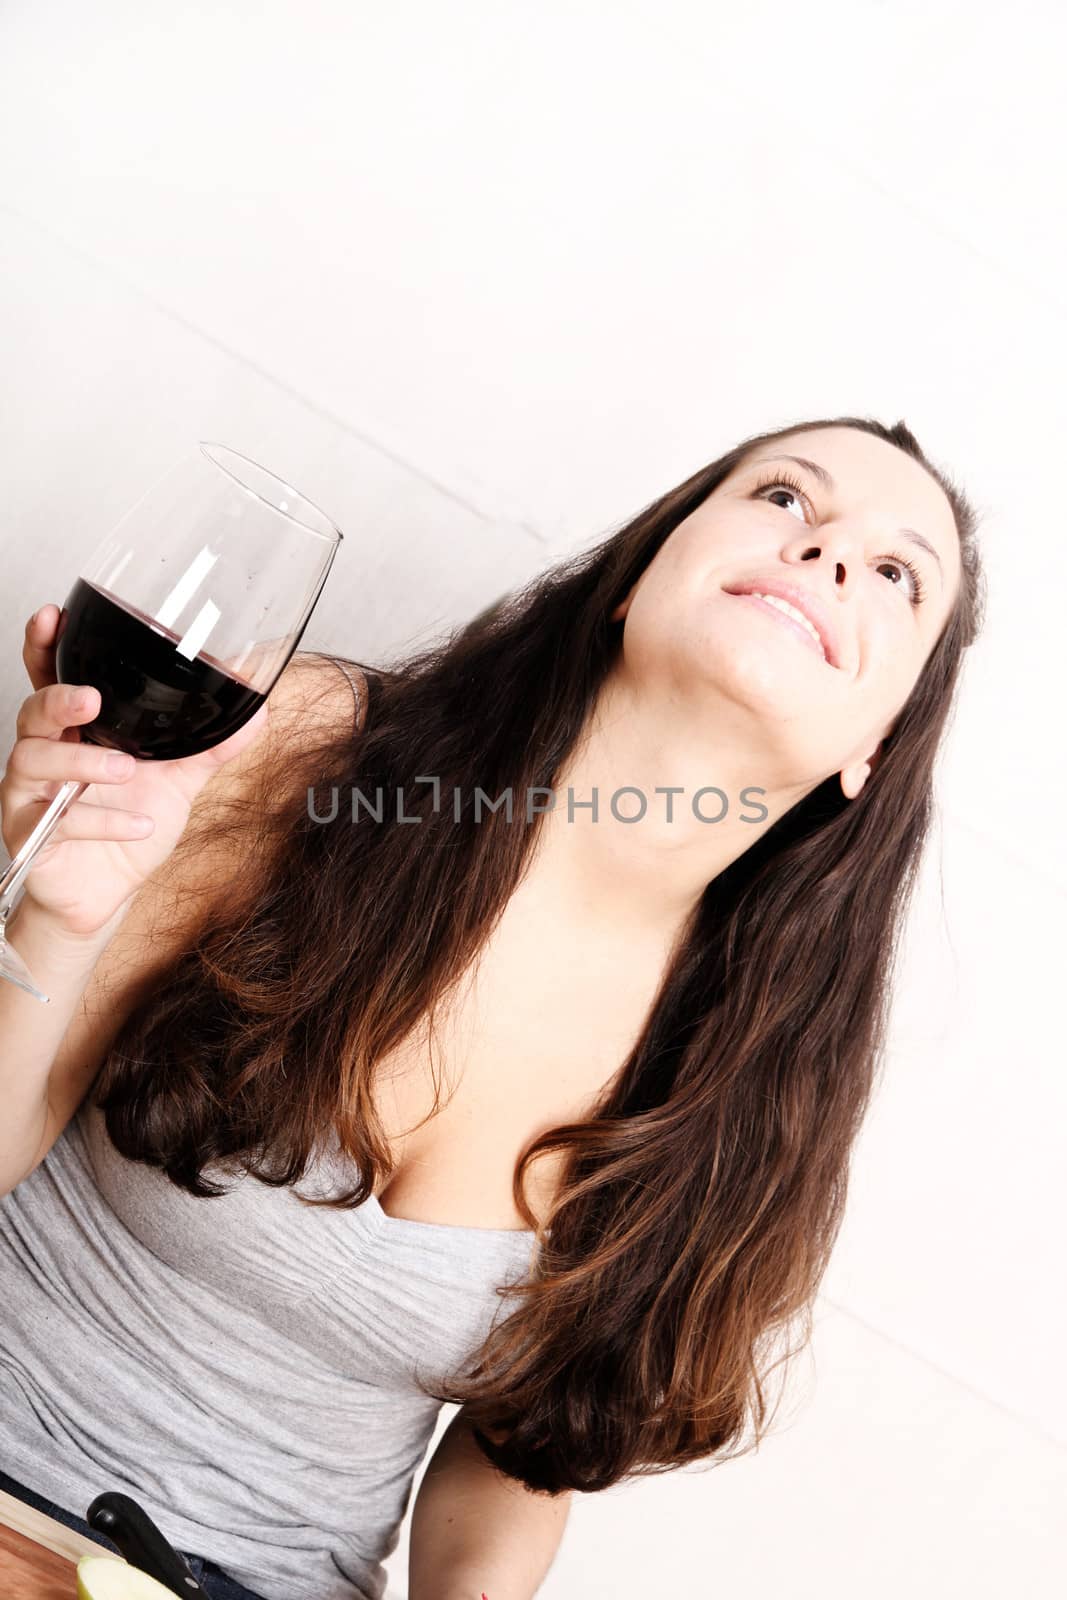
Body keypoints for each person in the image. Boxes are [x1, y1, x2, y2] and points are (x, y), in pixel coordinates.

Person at [0, 414, 986, 1600]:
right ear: (634, 579)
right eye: (783, 498)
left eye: (895, 573)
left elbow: (519, 1457)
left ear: (874, 745)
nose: (829, 551)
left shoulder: (740, 1073)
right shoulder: (312, 755)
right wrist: (51, 920)